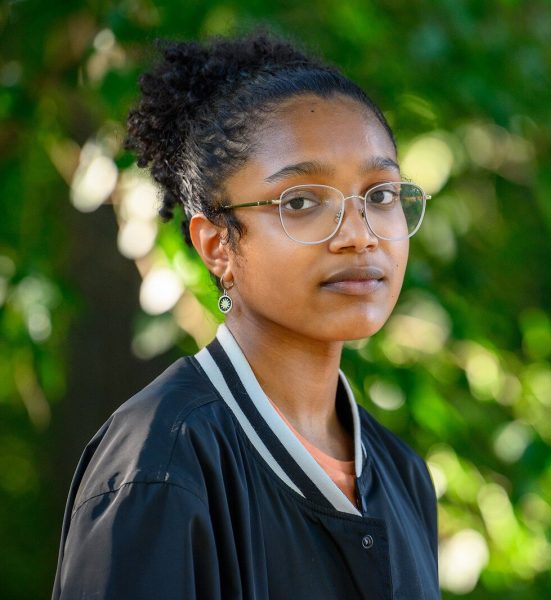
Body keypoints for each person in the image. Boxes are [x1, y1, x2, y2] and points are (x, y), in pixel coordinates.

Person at [52, 31, 439, 600]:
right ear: (217, 245)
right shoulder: (160, 464)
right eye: (302, 202)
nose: (359, 236)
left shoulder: (402, 474)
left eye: (380, 195)